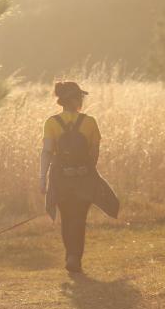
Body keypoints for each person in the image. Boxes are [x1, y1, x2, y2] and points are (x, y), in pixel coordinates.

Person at [39, 81, 119, 273]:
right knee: (80, 218)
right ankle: (76, 258)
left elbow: (47, 152)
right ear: (75, 100)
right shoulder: (90, 122)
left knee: (66, 217)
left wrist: (42, 177)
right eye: (80, 97)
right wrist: (85, 170)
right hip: (84, 178)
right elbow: (94, 152)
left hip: (61, 179)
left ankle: (70, 256)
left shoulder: (51, 123)